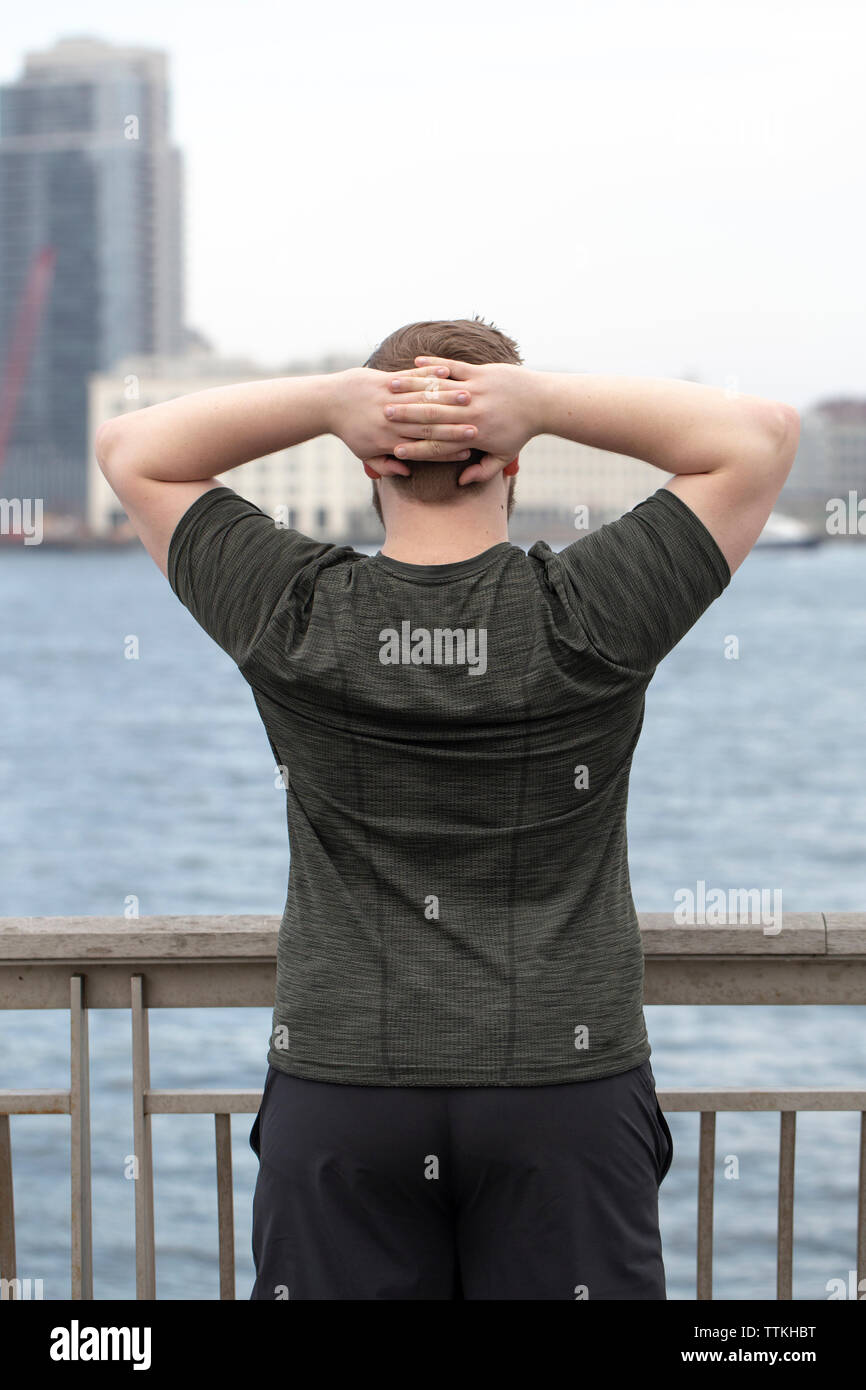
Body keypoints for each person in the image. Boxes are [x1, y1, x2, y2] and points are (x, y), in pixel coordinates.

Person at [95, 316, 799, 1300]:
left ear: (370, 463)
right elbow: (757, 435)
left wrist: (334, 399)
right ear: (506, 463)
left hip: (341, 1087)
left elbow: (133, 450)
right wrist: (539, 402)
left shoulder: (295, 612)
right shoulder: (588, 610)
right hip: (562, 1084)